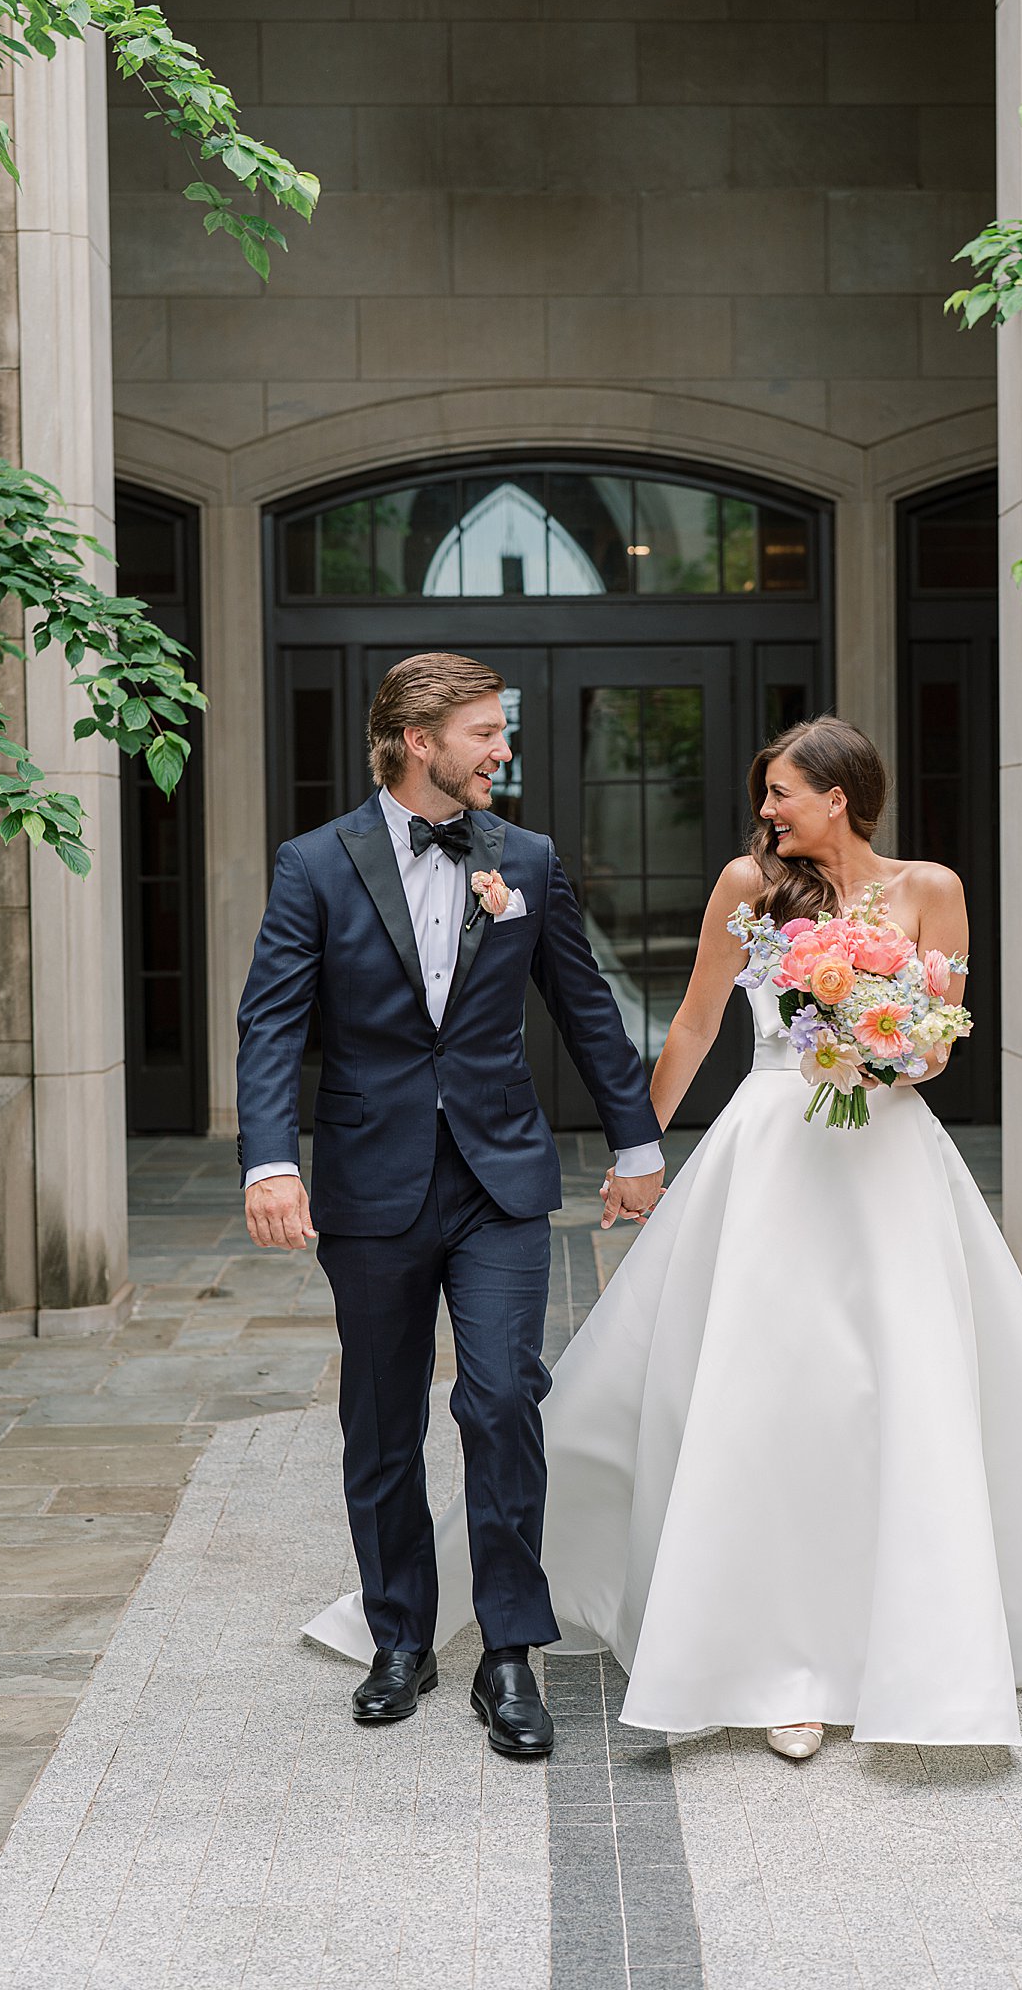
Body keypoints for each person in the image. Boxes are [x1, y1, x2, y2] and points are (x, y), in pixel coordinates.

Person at [306, 714, 1022, 1757]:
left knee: (904, 1395)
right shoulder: (745, 885)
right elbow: (698, 1024)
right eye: (764, 795)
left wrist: (885, 1050)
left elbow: (943, 1035)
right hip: (767, 1159)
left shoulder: (932, 888)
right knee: (755, 1398)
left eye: (781, 794)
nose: (765, 810)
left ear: (838, 797)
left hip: (890, 1165)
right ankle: (775, 1662)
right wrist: (640, 1148)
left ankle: (901, 1640)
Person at [239, 652, 664, 1760]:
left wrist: (635, 1140)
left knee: (497, 1400)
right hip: (372, 1180)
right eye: (486, 730)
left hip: (500, 1180)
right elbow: (272, 1023)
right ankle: (400, 1636)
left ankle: (511, 1649)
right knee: (380, 1416)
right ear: (420, 740)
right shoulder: (313, 865)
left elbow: (584, 1005)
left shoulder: (523, 856)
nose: (503, 749)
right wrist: (269, 1161)